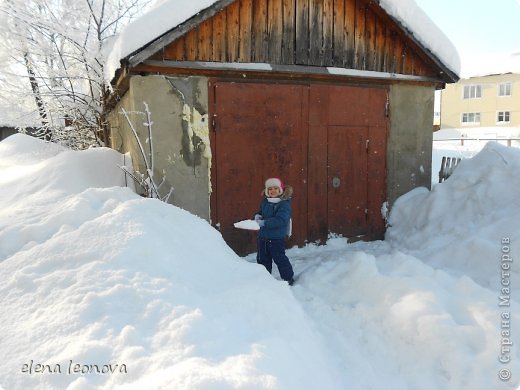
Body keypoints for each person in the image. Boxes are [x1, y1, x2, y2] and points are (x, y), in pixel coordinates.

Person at [254, 177, 295, 285]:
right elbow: (261, 212)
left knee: (279, 258)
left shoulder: (283, 204)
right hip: (263, 237)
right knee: (263, 259)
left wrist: (264, 223)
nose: (273, 191)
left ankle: (288, 278)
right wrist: (258, 216)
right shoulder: (265, 202)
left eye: (276, 188)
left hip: (276, 238)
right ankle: (264, 279)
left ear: (280, 190)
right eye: (270, 189)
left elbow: (280, 220)